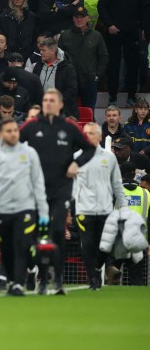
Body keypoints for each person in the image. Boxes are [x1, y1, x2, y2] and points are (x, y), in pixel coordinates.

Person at [20, 88, 95, 294]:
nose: (48, 103)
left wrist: (76, 163)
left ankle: (57, 280)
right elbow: (13, 145)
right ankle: (37, 276)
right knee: (36, 234)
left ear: (60, 104)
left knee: (56, 232)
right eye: (45, 100)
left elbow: (90, 148)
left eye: (52, 100)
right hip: (36, 190)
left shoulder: (69, 127)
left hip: (61, 188)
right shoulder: (31, 126)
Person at [0, 118, 49, 297]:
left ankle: (18, 283)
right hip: (1, 209)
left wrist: (43, 210)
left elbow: (38, 182)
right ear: (1, 134)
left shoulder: (29, 153)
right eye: (8, 131)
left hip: (25, 208)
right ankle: (11, 279)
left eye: (15, 130)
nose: (13, 134)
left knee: (22, 245)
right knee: (7, 249)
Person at [74, 122, 126, 290]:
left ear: (99, 136)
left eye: (91, 133)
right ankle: (93, 277)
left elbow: (117, 184)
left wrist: (123, 207)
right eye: (85, 133)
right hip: (84, 209)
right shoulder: (76, 157)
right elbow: (71, 184)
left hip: (105, 209)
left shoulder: (109, 157)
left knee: (106, 245)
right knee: (88, 244)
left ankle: (97, 268)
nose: (87, 136)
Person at [99, 0, 146, 108]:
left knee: (133, 64)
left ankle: (131, 96)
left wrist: (142, 27)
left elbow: (144, 8)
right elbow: (102, 6)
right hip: (114, 31)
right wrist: (109, 24)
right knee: (114, 64)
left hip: (132, 31)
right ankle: (112, 96)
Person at [58, 6, 108, 110]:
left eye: (82, 17)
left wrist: (97, 75)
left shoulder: (96, 36)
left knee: (89, 111)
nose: (79, 19)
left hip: (89, 81)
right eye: (77, 17)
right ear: (73, 18)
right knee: (69, 112)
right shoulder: (65, 35)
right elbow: (59, 57)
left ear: (87, 18)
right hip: (70, 81)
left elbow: (104, 57)